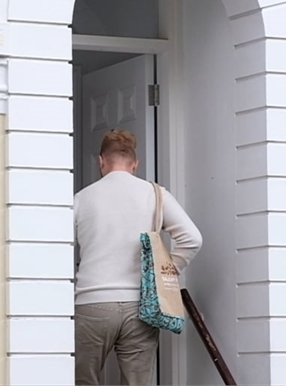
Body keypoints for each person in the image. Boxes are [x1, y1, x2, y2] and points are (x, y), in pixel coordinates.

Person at [73, 129, 202, 385]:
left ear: (101, 161)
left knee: (83, 381)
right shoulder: (155, 194)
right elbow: (192, 238)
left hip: (92, 303)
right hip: (140, 306)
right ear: (135, 163)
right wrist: (167, 270)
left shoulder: (81, 199)